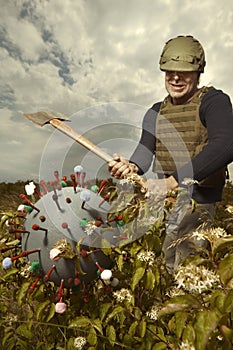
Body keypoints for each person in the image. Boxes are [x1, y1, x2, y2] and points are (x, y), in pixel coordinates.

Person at [108, 35, 233, 273]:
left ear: (198, 72)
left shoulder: (213, 101)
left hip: (199, 201)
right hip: (165, 201)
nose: (175, 77)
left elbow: (227, 144)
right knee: (164, 260)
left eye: (184, 71)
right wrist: (130, 166)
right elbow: (144, 152)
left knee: (188, 265)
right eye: (169, 71)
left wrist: (173, 181)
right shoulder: (156, 111)